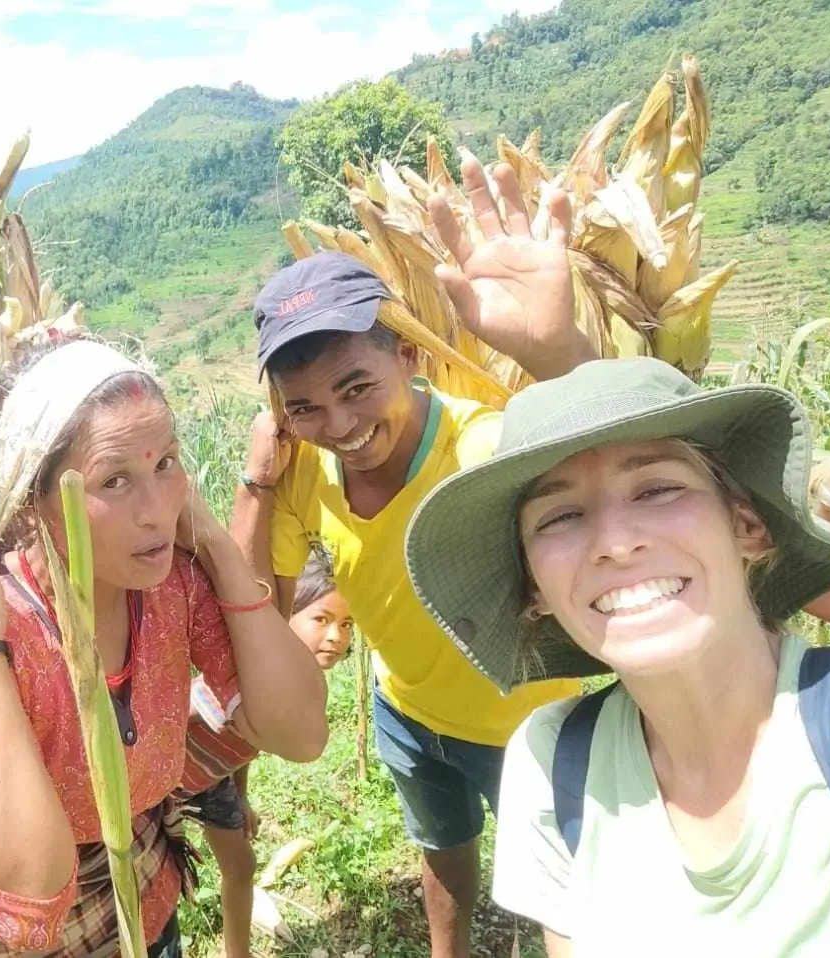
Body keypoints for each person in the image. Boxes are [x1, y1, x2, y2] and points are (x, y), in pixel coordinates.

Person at [234, 155, 592, 958]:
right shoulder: (298, 471)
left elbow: (623, 467)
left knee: (562, 888)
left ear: (408, 355)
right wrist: (257, 484)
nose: (339, 424)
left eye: (355, 387)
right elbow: (251, 604)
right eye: (306, 407)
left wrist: (560, 347)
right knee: (444, 856)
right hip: (407, 711)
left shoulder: (484, 450)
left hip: (529, 725)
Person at [404, 356, 830, 956]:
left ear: (747, 525)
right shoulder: (555, 759)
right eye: (561, 516)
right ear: (535, 589)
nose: (615, 544)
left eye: (659, 489)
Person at [0, 335, 329, 958]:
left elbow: (301, 732)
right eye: (115, 480)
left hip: (135, 886)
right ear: (32, 500)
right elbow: (24, 900)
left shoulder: (170, 584)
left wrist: (215, 544)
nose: (157, 511)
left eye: (167, 464)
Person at [175, 550, 353, 958]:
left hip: (213, 781)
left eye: (346, 625)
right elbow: (184, 710)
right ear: (283, 619)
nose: (336, 637)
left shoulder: (297, 697)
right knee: (156, 881)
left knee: (240, 866)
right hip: (159, 784)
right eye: (322, 619)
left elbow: (248, 746)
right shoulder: (248, 677)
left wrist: (241, 795)